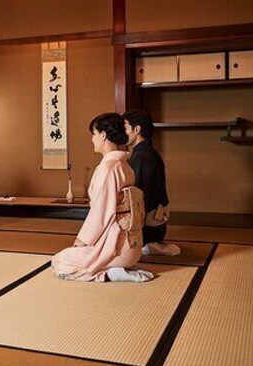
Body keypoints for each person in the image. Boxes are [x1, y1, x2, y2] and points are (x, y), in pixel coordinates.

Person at [51, 113, 154, 283]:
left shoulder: (109, 168)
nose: (92, 139)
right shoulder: (125, 166)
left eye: (94, 134)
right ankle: (116, 268)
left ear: (104, 135)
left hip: (116, 247)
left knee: (60, 261)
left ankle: (109, 273)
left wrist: (82, 240)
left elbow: (101, 213)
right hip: (132, 246)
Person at [123, 109, 181, 257]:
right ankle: (152, 245)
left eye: (125, 128)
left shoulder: (142, 156)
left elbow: (139, 196)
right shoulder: (149, 153)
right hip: (156, 224)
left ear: (137, 130)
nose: (122, 133)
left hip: (148, 227)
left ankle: (148, 245)